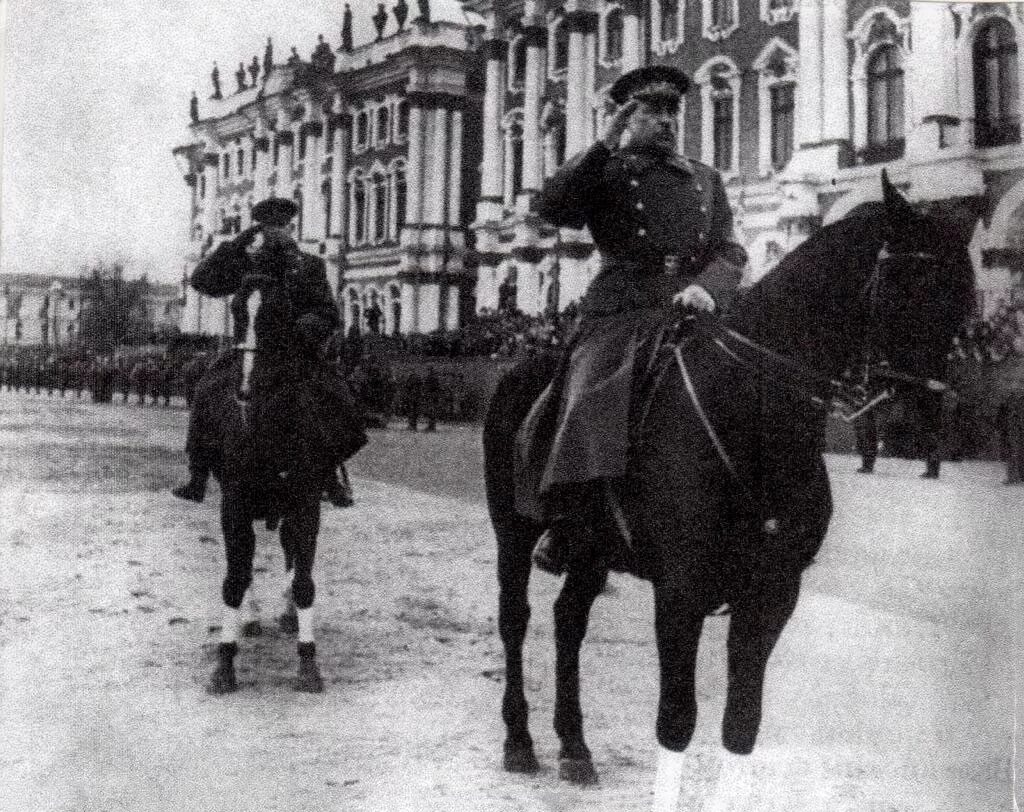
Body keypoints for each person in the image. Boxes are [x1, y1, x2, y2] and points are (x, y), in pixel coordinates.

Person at [521, 65, 747, 575]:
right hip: (623, 308)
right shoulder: (606, 170)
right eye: (652, 111)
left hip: (692, 306)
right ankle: (571, 519)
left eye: (672, 111)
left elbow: (731, 248)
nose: (667, 121)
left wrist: (706, 287)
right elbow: (553, 208)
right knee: (589, 393)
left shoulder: (706, 179)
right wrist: (602, 144)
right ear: (627, 116)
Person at [172, 196, 365, 508]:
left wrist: (306, 327)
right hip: (245, 350)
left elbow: (328, 313)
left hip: (294, 352)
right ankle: (198, 476)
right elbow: (201, 280)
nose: (276, 232)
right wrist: (236, 243)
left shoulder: (308, 266)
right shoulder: (244, 264)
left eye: (282, 226)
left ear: (290, 228)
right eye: (267, 227)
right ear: (258, 230)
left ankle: (330, 472)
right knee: (207, 389)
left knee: (334, 394)